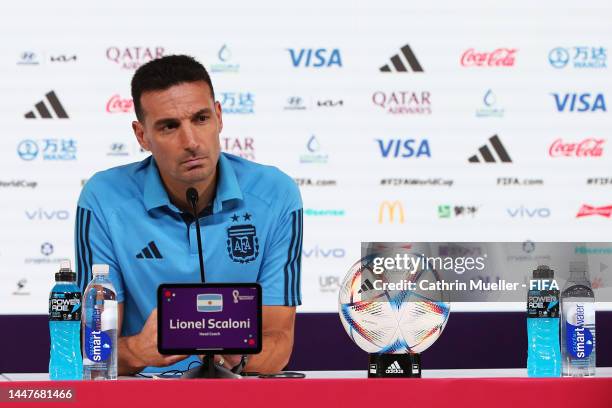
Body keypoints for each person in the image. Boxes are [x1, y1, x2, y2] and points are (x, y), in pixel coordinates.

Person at [74, 55, 303, 375]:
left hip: (233, 390)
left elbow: (278, 341)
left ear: (219, 117)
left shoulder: (275, 194)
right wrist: (138, 349)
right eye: (169, 126)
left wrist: (231, 356)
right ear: (142, 136)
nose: (191, 142)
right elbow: (91, 351)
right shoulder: (103, 198)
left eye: (200, 119)